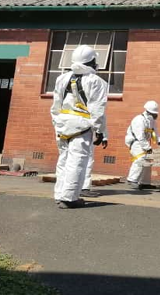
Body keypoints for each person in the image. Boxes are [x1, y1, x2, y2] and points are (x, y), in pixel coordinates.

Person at [50, 45, 108, 209]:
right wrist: (100, 131)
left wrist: (57, 123)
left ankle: (60, 194)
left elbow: (55, 105)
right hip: (81, 126)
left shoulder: (62, 78)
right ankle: (69, 198)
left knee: (63, 161)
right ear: (92, 61)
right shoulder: (96, 81)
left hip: (62, 124)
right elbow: (97, 110)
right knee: (77, 161)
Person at [125, 100, 160, 189]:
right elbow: (140, 136)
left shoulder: (152, 121)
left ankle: (145, 182)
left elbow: (155, 132)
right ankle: (132, 179)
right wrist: (147, 147)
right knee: (140, 159)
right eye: (154, 114)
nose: (156, 116)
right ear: (148, 112)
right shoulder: (139, 120)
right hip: (136, 143)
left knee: (148, 161)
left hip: (144, 143)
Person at [80, 132, 108, 198]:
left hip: (66, 136)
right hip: (85, 135)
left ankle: (65, 189)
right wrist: (103, 137)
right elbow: (99, 125)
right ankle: (84, 188)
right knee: (87, 162)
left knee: (67, 162)